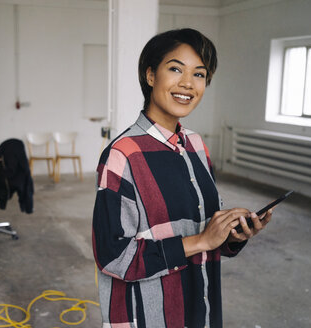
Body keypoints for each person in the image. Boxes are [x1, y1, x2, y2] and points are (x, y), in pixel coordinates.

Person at [92, 28, 273, 328]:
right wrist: (200, 240)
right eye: (175, 69)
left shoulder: (197, 145)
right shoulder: (123, 154)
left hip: (199, 307)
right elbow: (113, 257)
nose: (187, 83)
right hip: (148, 316)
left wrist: (232, 235)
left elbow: (205, 229)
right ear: (150, 76)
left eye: (199, 74)